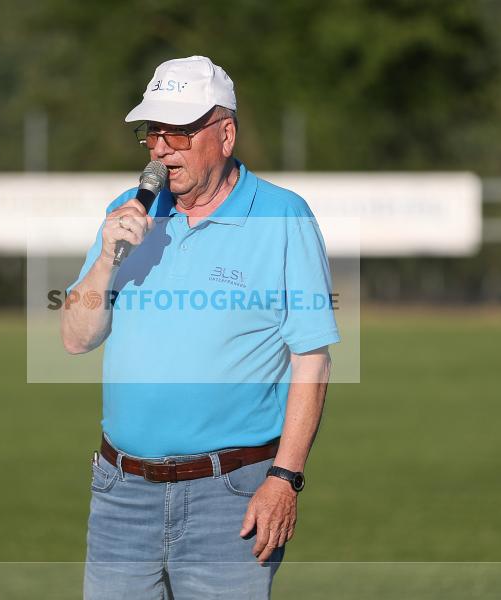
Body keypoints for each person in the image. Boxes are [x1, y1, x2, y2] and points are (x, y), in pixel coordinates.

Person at [61, 55, 339, 600]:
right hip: (120, 492)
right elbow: (75, 339)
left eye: (181, 132)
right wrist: (105, 260)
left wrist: (285, 479)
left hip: (231, 496)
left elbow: (312, 358)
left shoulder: (284, 216)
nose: (162, 147)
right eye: (152, 132)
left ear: (226, 133)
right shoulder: (126, 212)